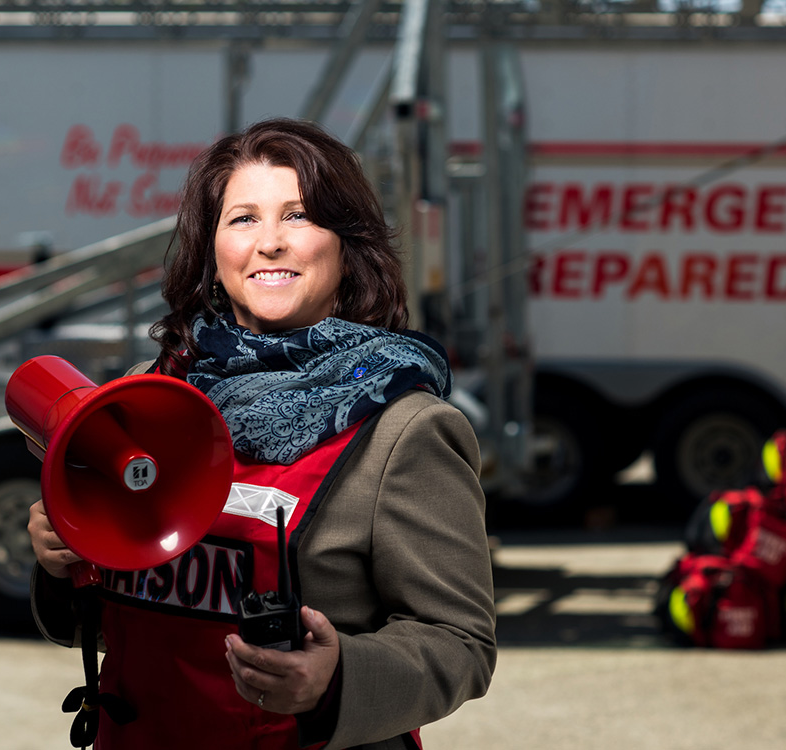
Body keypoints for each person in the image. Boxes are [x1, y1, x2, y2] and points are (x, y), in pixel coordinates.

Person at [27, 117, 496, 750]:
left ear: (345, 245)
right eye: (242, 219)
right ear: (212, 252)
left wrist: (335, 682)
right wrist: (61, 563)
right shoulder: (148, 396)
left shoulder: (404, 430)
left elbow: (460, 642)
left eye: (298, 216)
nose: (269, 243)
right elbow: (99, 623)